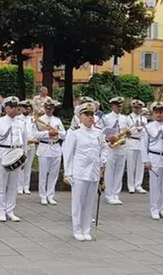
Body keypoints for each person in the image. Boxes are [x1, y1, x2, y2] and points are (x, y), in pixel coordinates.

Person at [0, 96, 52, 222]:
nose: (13, 109)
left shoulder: (21, 123)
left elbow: (24, 142)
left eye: (15, 107)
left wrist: (24, 158)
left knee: (13, 185)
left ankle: (10, 210)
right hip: (3, 153)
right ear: (6, 108)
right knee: (2, 185)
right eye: (10, 107)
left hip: (17, 154)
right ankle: (1, 211)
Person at [63, 103, 108, 242]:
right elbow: (68, 153)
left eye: (91, 114)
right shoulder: (74, 133)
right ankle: (77, 229)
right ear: (80, 117)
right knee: (78, 202)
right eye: (86, 115)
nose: (90, 117)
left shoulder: (98, 132)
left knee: (89, 202)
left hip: (94, 172)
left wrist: (103, 162)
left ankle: (86, 229)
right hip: (80, 172)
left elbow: (104, 148)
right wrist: (68, 173)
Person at [141, 102, 163, 220]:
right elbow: (143, 145)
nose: (159, 114)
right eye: (156, 112)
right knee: (155, 185)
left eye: (161, 112)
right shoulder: (149, 127)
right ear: (152, 114)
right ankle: (154, 209)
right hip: (154, 157)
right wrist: (146, 160)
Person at [98, 97, 127, 205]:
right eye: (117, 106)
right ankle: (109, 194)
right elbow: (100, 132)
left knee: (119, 172)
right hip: (110, 147)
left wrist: (127, 135)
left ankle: (116, 194)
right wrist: (108, 138)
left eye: (120, 106)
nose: (119, 108)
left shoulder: (125, 118)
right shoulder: (106, 118)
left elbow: (127, 130)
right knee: (110, 172)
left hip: (122, 147)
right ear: (112, 106)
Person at [37, 99, 64, 205]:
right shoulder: (39, 120)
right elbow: (34, 134)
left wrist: (57, 133)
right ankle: (43, 195)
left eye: (51, 108)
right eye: (47, 108)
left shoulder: (57, 120)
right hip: (44, 146)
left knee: (54, 174)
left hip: (55, 147)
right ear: (44, 108)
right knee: (43, 174)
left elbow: (64, 133)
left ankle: (50, 195)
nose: (49, 110)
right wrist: (47, 133)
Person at [123, 100, 148, 194]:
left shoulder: (144, 119)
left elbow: (145, 132)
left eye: (139, 107)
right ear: (132, 108)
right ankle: (131, 186)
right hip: (131, 142)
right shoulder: (128, 118)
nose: (137, 109)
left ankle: (138, 185)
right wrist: (136, 129)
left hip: (141, 142)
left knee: (140, 166)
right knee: (130, 165)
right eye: (135, 107)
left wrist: (141, 129)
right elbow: (127, 132)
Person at [18, 100, 37, 194]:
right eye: (25, 108)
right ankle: (19, 186)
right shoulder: (18, 119)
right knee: (21, 165)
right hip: (22, 145)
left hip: (31, 144)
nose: (27, 110)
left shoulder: (32, 119)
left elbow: (35, 131)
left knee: (28, 166)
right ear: (21, 108)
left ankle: (26, 186)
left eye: (28, 108)